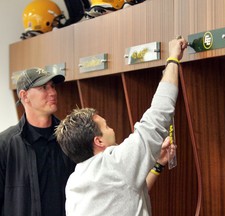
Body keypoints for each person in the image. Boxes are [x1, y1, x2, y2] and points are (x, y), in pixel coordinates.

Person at [55, 36, 188, 216]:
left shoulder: (76, 181)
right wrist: (173, 59)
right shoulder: (113, 164)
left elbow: (127, 195)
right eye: (106, 126)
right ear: (99, 141)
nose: (112, 129)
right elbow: (159, 113)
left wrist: (158, 165)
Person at [0, 68, 76, 216]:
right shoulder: (1, 146)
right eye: (43, 88)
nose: (52, 92)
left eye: (53, 86)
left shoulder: (71, 139)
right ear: (24, 96)